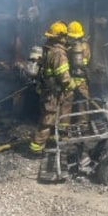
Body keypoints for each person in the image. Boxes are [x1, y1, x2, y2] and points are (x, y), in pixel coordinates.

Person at [29, 21, 74, 157]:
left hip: (48, 91)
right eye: (65, 36)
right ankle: (36, 149)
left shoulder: (48, 49)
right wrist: (72, 85)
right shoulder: (59, 53)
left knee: (53, 117)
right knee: (47, 120)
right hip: (52, 93)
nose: (66, 38)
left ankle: (53, 141)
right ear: (60, 37)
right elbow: (64, 77)